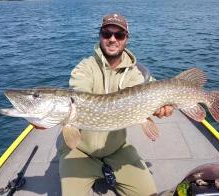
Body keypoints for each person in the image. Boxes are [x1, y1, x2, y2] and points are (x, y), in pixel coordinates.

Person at [59, 13, 173, 196]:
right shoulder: (84, 68)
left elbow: (152, 97)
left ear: (126, 39)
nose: (112, 39)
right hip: (79, 151)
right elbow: (79, 93)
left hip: (116, 150)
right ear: (100, 36)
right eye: (106, 34)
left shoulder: (135, 75)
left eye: (119, 35)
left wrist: (161, 107)